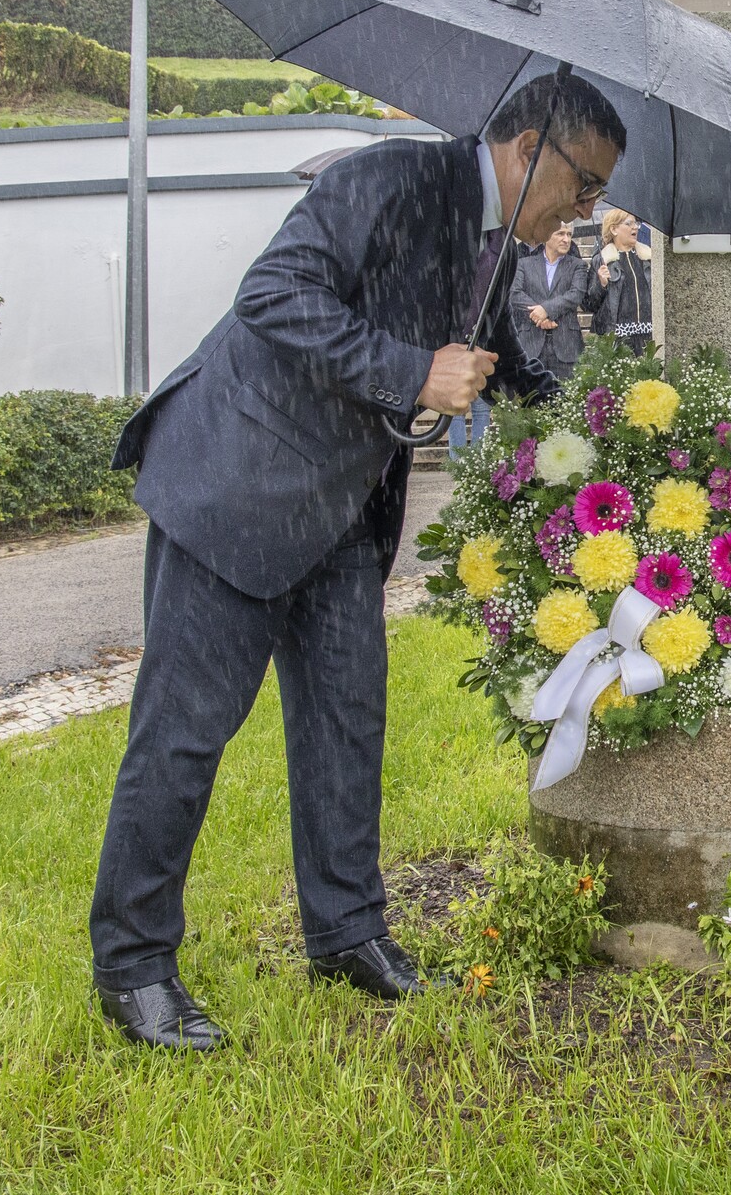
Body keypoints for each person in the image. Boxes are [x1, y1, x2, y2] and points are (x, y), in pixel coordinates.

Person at [92, 72, 623, 1049]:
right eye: (584, 184)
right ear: (530, 149)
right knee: (184, 734)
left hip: (341, 509)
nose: (586, 210)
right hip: (236, 480)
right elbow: (273, 296)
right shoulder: (385, 178)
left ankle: (345, 930)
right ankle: (132, 964)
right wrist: (411, 370)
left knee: (347, 718)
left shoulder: (498, 246)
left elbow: (510, 357)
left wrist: (612, 424)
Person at [512, 223, 590, 389]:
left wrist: (545, 310)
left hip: (566, 346)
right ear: (546, 235)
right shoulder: (524, 264)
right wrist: (539, 314)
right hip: (531, 344)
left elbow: (576, 295)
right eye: (560, 234)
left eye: (569, 235)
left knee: (566, 399)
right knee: (530, 402)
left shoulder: (578, 265)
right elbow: (514, 293)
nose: (566, 239)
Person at [588, 207, 656, 354]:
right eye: (629, 223)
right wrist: (601, 284)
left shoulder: (648, 258)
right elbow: (589, 304)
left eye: (636, 224)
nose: (635, 227)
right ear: (613, 229)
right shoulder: (602, 260)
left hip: (648, 336)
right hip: (616, 337)